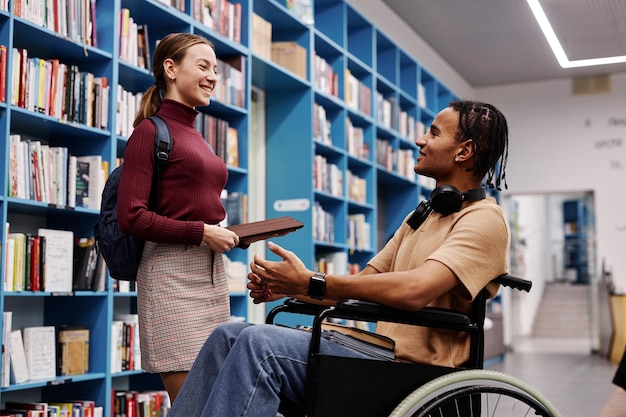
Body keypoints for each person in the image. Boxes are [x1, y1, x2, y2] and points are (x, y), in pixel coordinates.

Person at [167, 99, 511, 416]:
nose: (421, 140)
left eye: (434, 133)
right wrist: (291, 287)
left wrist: (312, 281)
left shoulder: (483, 220)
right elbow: (360, 286)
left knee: (261, 345)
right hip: (376, 353)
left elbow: (415, 290)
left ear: (464, 152)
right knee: (226, 336)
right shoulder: (422, 216)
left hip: (416, 373)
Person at [117, 32, 240, 402]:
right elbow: (132, 217)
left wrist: (226, 235)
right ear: (170, 69)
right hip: (170, 278)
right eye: (203, 66)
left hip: (211, 276)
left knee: (217, 399)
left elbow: (196, 209)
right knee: (194, 404)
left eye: (215, 69)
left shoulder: (197, 136)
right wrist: (202, 233)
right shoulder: (149, 131)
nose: (213, 76)